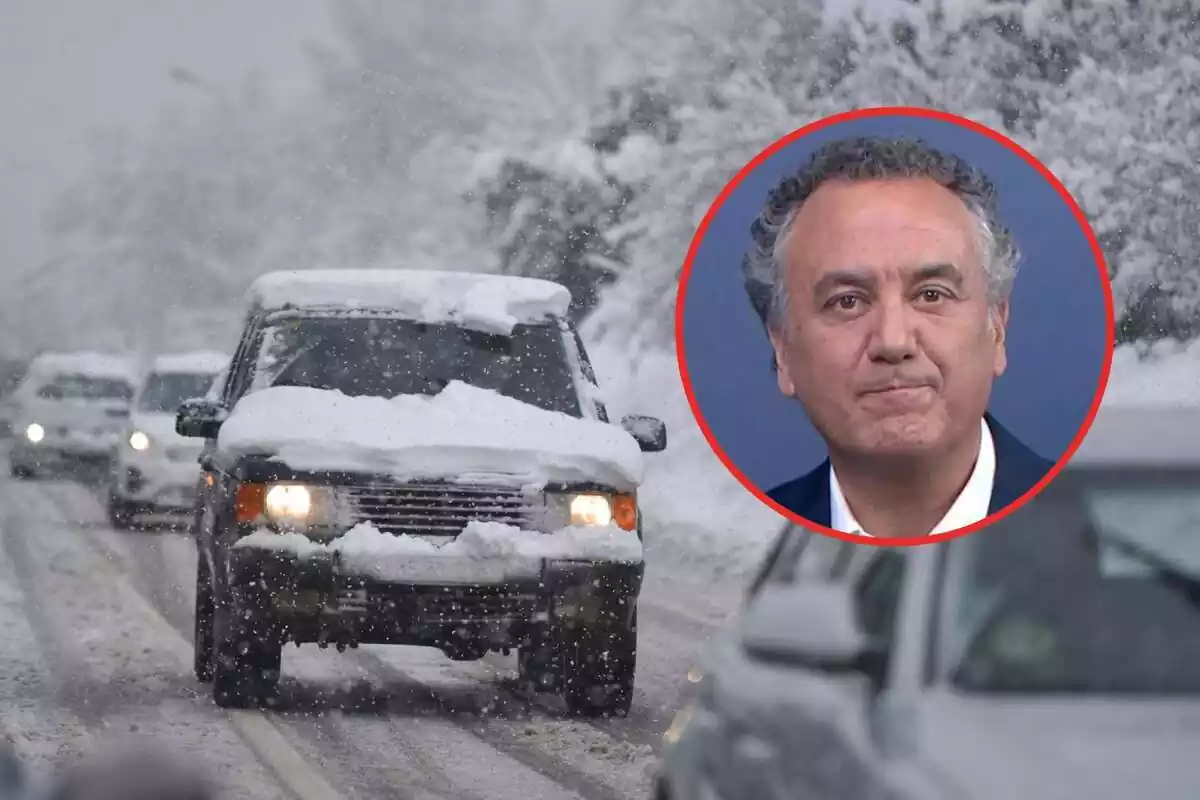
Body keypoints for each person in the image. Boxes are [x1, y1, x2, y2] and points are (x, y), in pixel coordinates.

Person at [742, 135, 1054, 539]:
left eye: (930, 295)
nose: (893, 342)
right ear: (782, 349)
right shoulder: (756, 548)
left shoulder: (1103, 538)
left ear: (996, 327)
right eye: (848, 302)